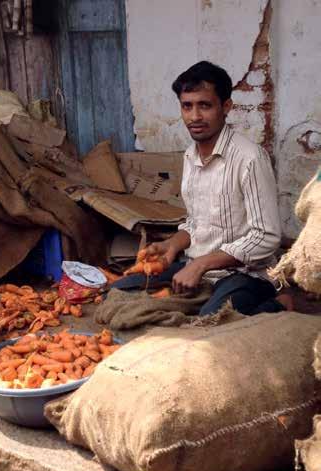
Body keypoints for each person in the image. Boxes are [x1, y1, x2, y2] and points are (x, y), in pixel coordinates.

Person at [114, 61, 292, 316]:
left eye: (205, 105)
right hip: (198, 270)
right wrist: (172, 246)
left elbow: (266, 237)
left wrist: (202, 264)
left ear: (226, 107)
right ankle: (204, 299)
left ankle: (278, 303)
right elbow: (197, 223)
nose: (194, 116)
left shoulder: (250, 158)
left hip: (244, 274)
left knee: (211, 321)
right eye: (187, 106)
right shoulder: (190, 156)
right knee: (121, 290)